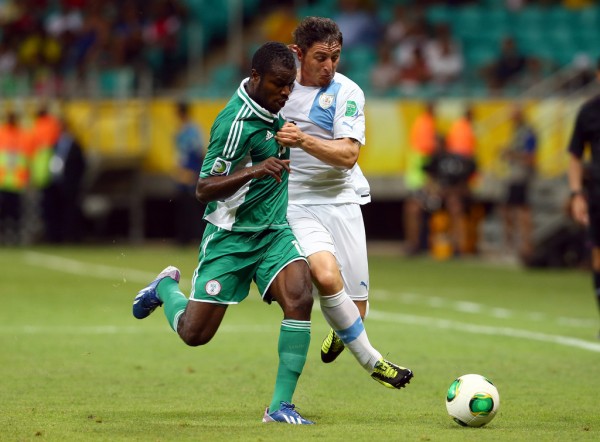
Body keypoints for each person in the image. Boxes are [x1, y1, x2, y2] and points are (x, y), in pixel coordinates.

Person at [132, 42, 315, 425]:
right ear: (255, 78)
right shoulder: (232, 124)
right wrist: (254, 169)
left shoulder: (278, 105)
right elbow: (203, 189)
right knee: (194, 335)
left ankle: (280, 407)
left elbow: (318, 84)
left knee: (299, 296)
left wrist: (305, 49)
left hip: (273, 232)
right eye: (279, 84)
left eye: (290, 85)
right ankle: (165, 289)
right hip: (230, 236)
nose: (285, 93)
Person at [275, 16, 413, 389]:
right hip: (297, 204)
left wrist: (302, 140)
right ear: (297, 53)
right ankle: (376, 363)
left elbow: (348, 155)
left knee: (358, 310)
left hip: (342, 200)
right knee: (323, 274)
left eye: (336, 57)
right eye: (321, 57)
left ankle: (344, 328)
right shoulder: (277, 90)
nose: (329, 66)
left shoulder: (347, 92)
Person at [567, 58, 600, 337]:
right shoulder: (588, 112)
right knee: (598, 256)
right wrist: (577, 193)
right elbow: (575, 156)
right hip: (597, 193)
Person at [500, 105, 537, 262]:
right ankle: (512, 244)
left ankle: (524, 245)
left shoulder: (527, 133)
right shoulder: (517, 132)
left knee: (522, 210)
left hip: (521, 175)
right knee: (508, 209)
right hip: (514, 175)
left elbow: (530, 157)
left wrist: (511, 154)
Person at [173, 101, 204, 245]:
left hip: (191, 173)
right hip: (183, 174)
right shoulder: (181, 130)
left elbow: (199, 153)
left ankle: (195, 236)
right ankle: (184, 237)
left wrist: (196, 173)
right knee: (183, 206)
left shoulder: (192, 131)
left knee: (193, 206)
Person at [0, 111, 30, 245]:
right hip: (3, 182)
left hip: (16, 183)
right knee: (4, 214)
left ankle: (15, 237)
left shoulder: (22, 135)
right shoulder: (2, 134)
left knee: (16, 214)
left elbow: (26, 159)